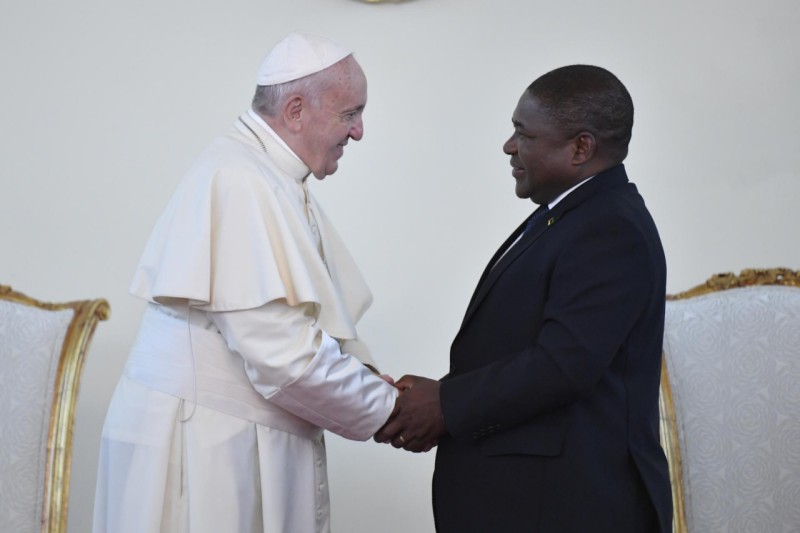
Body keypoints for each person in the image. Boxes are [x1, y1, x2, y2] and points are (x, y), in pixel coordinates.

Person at [93, 32, 398, 533]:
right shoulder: (240, 180)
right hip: (200, 444)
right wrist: (390, 409)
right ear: (295, 110)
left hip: (224, 432)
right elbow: (282, 355)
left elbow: (310, 321)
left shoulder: (269, 174)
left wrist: (364, 375)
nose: (359, 131)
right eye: (350, 114)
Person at [376, 65, 673, 532]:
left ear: (581, 148)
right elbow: (515, 346)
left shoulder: (610, 228)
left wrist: (446, 405)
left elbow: (562, 365)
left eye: (524, 134)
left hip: (571, 509)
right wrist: (438, 396)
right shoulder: (568, 214)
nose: (509, 146)